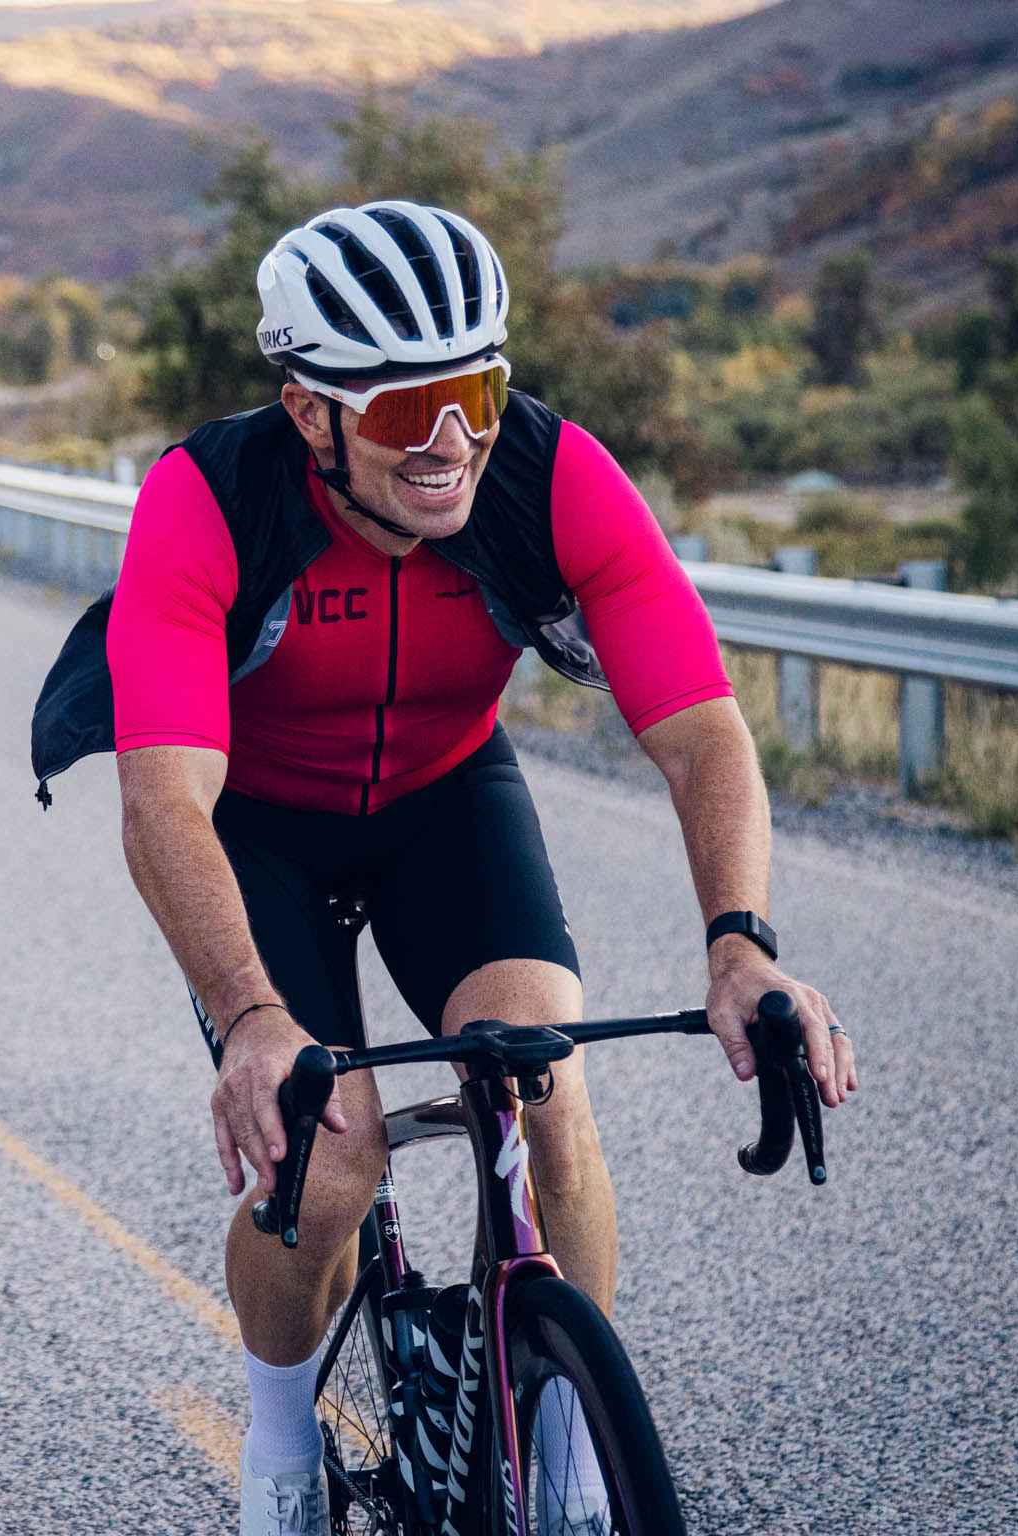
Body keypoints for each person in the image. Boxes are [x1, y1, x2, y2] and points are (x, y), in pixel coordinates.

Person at [74, 201, 858, 1534]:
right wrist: (255, 1022)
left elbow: (701, 733)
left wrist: (742, 941)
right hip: (256, 825)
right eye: (398, 413)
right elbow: (163, 804)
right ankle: (277, 1451)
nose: (448, 445)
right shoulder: (208, 502)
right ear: (309, 412)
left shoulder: (547, 474)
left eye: (474, 393)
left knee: (545, 1072)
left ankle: (562, 1443)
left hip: (445, 798)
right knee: (327, 1160)